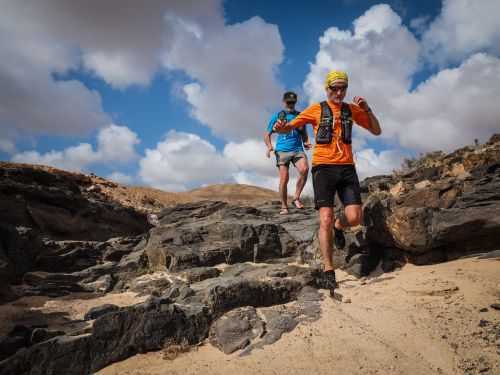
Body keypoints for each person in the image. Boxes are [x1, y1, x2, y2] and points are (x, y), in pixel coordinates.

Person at [273, 70, 381, 294]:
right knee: (325, 218)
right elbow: (289, 127)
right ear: (327, 88)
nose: (339, 92)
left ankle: (339, 227)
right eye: (335, 88)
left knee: (354, 217)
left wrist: (367, 108)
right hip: (323, 168)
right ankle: (329, 270)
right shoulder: (316, 109)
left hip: (347, 168)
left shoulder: (352, 110)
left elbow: (377, 130)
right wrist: (280, 127)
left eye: (343, 88)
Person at [264, 91, 311, 214]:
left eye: (293, 102)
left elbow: (303, 132)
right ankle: (284, 206)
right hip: (282, 151)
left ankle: (296, 197)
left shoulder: (300, 116)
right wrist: (269, 147)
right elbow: (267, 134)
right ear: (284, 102)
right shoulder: (278, 116)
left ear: (295, 102)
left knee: (305, 169)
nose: (291, 104)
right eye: (289, 102)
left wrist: (306, 142)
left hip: (297, 149)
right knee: (284, 178)